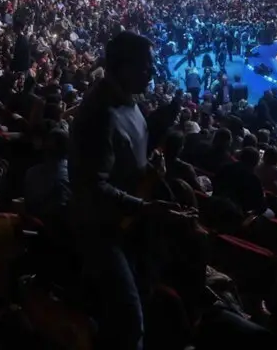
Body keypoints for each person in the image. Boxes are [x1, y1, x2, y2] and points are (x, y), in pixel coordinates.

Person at [69, 31, 189, 350]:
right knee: (128, 321)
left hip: (127, 226)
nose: (152, 72)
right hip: (101, 233)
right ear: (121, 67)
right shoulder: (100, 115)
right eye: (145, 66)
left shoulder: (130, 103)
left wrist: (151, 163)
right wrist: (145, 207)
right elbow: (92, 187)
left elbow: (126, 159)